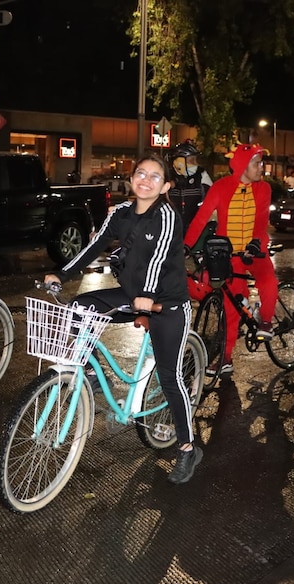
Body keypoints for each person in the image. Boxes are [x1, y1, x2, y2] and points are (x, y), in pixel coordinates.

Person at [44, 153, 202, 484]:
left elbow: (159, 256)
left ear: (165, 186)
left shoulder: (168, 214)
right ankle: (87, 369)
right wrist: (61, 273)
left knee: (170, 376)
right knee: (80, 307)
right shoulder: (122, 214)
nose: (145, 180)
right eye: (140, 174)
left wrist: (146, 294)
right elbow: (94, 246)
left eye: (154, 176)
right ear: (131, 180)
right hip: (134, 297)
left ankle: (187, 448)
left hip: (167, 304)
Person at [184, 143, 279, 376]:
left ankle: (266, 321)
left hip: (254, 251)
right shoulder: (221, 187)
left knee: (268, 282)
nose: (261, 168)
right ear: (243, 165)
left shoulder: (264, 189)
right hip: (230, 255)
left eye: (261, 163)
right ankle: (225, 359)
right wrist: (185, 246)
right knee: (231, 308)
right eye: (257, 163)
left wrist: (256, 244)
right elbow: (201, 218)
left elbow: (260, 222)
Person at [167, 140, 213, 231]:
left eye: (195, 160)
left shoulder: (201, 176)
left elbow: (212, 199)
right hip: (171, 229)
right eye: (191, 161)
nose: (195, 164)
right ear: (179, 162)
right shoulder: (167, 178)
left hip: (196, 229)